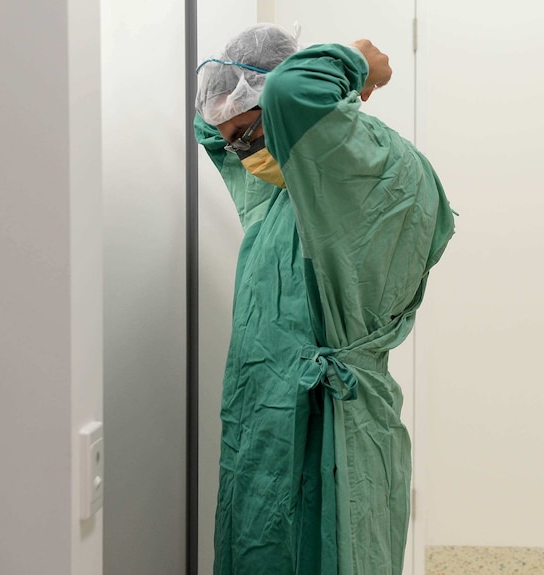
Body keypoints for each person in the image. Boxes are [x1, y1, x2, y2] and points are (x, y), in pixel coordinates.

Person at [195, 23, 455, 575]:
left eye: (249, 132)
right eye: (234, 137)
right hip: (264, 421)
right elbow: (209, 126)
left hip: (334, 429)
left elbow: (292, 93)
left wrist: (357, 63)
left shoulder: (363, 168)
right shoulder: (278, 186)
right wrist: (242, 109)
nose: (240, 150)